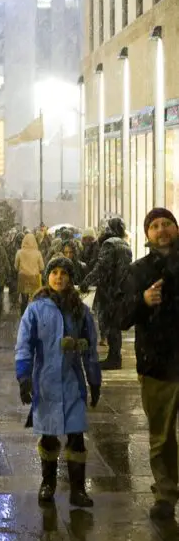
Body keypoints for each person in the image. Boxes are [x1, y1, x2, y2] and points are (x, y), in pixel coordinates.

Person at [16, 256, 101, 507]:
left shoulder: (80, 310)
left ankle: (78, 489)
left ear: (71, 278)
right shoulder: (36, 308)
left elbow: (91, 348)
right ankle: (48, 483)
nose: (59, 277)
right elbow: (24, 345)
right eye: (54, 272)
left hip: (72, 383)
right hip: (46, 384)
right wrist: (23, 377)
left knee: (76, 437)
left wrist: (94, 380)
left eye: (64, 273)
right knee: (49, 436)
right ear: (48, 275)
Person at [119, 208, 179, 520]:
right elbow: (122, 317)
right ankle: (166, 493)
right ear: (147, 234)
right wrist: (142, 301)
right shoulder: (138, 270)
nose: (161, 230)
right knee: (162, 434)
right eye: (154, 226)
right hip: (157, 365)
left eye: (167, 223)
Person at [81, 216, 132, 370]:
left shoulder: (109, 245)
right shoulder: (125, 244)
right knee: (115, 323)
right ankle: (115, 356)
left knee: (110, 324)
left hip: (109, 291)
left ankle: (114, 358)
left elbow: (101, 267)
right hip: (121, 290)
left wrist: (86, 282)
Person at [15, 233, 45, 314]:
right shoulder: (38, 253)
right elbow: (42, 267)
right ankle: (34, 317)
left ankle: (24, 318)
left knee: (23, 301)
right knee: (35, 300)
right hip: (35, 278)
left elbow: (16, 266)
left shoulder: (19, 252)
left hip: (23, 278)